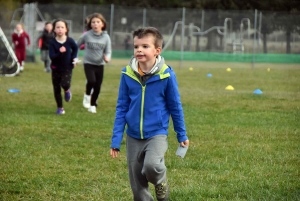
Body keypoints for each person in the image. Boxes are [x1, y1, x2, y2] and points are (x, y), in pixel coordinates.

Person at [110, 27, 189, 201]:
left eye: (145, 46)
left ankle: (160, 182)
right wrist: (116, 140)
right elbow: (122, 107)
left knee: (152, 166)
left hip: (157, 133)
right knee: (137, 183)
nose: (139, 50)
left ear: (157, 51)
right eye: (136, 46)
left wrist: (181, 133)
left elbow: (175, 106)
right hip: (133, 135)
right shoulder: (127, 74)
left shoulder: (166, 75)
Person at [77, 13, 112, 114]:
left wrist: (107, 58)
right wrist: (74, 56)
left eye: (98, 22)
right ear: (90, 24)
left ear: (102, 24)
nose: (95, 24)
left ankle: (92, 105)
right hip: (88, 63)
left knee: (97, 85)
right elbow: (77, 45)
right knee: (91, 81)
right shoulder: (87, 35)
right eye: (93, 22)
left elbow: (108, 51)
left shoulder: (106, 37)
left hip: (100, 64)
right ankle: (87, 95)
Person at [49, 19, 78, 115]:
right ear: (54, 30)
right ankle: (60, 108)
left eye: (62, 27)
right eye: (58, 27)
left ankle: (67, 90)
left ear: (66, 29)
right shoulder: (52, 42)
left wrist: (74, 58)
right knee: (56, 88)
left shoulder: (70, 41)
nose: (60, 29)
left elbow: (75, 48)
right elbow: (52, 56)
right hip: (55, 68)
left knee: (65, 83)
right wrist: (59, 52)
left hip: (67, 67)